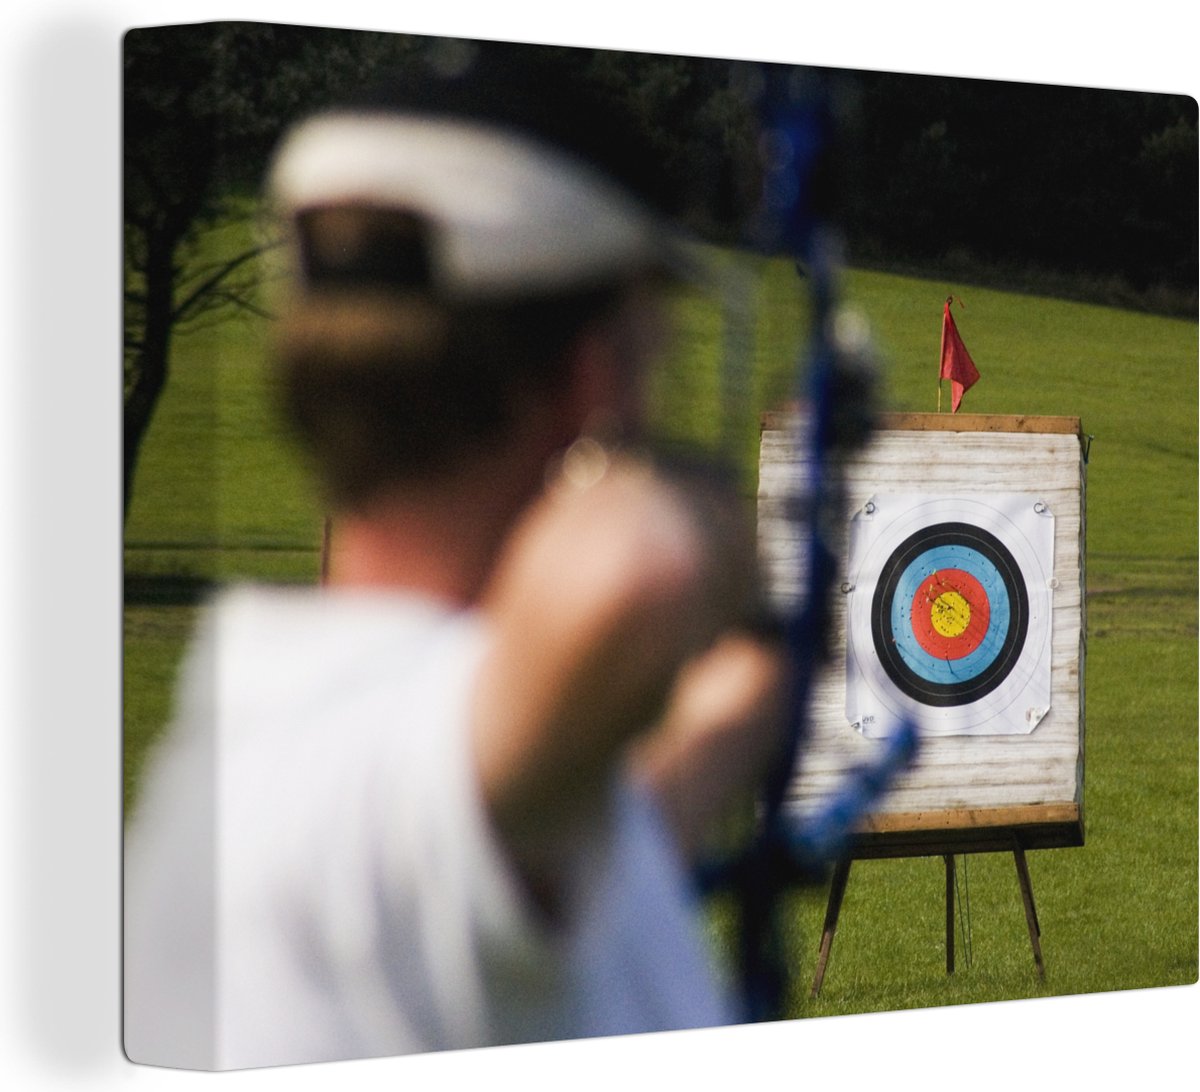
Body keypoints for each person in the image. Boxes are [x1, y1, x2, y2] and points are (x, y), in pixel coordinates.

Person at [123, 43, 786, 1071]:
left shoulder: (358, 750)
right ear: (594, 373)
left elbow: (596, 843)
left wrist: (741, 698)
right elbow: (636, 576)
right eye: (648, 349)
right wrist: (700, 509)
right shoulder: (365, 796)